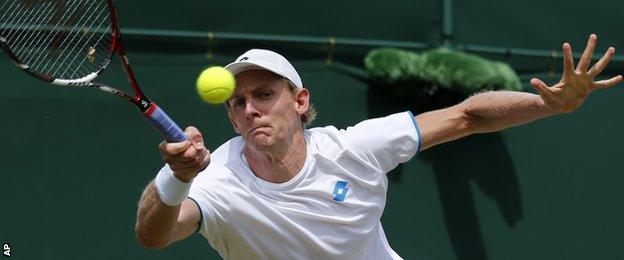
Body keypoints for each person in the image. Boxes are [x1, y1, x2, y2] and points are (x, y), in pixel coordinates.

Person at [135, 34, 621, 259]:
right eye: (238, 102)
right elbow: (154, 235)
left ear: (300, 101)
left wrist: (550, 106)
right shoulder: (216, 180)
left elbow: (466, 115)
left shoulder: (354, 149)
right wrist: (176, 178)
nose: (250, 110)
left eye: (265, 94)